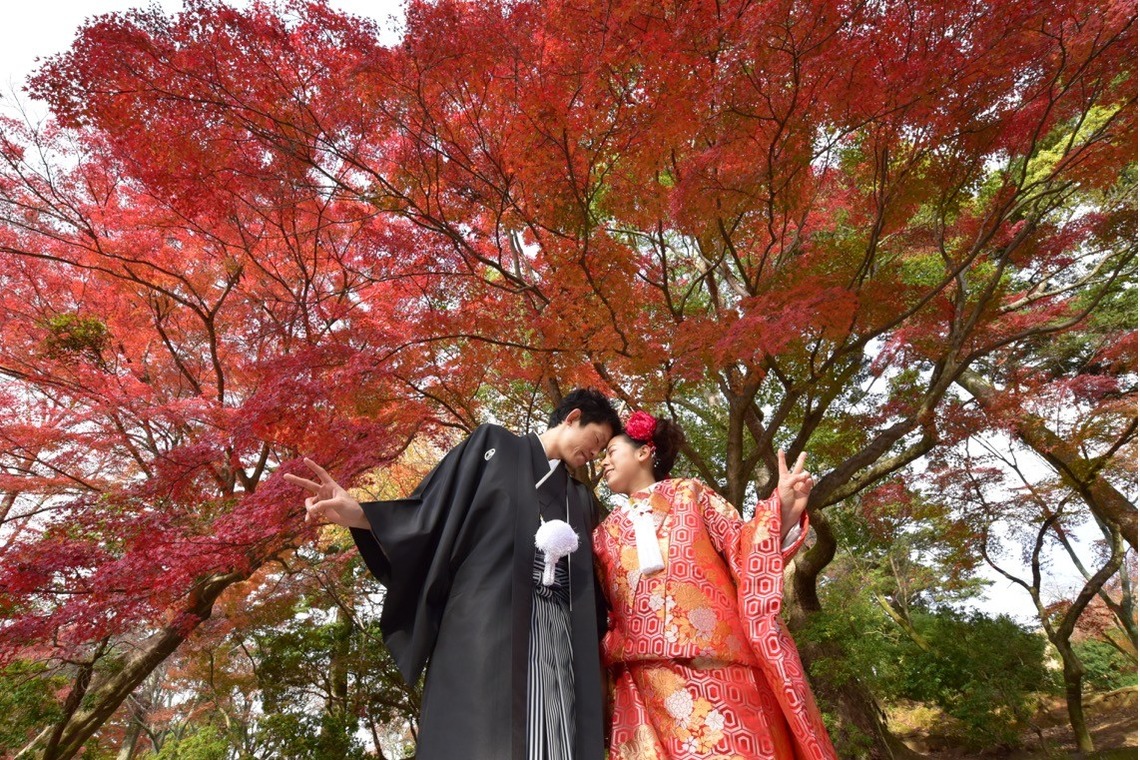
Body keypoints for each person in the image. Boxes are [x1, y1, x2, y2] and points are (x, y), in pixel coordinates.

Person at [285, 388, 622, 760]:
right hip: (485, 621)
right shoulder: (493, 446)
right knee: (479, 734)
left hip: (559, 636)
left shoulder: (581, 498)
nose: (596, 453)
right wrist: (361, 516)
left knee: (553, 735)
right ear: (572, 417)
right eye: (597, 440)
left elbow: (611, 569)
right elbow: (431, 513)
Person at [594, 411, 838, 760]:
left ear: (643, 451)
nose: (603, 462)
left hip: (718, 667)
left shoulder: (691, 494)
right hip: (642, 681)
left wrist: (781, 510)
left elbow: (743, 547)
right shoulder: (603, 533)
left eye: (611, 451)